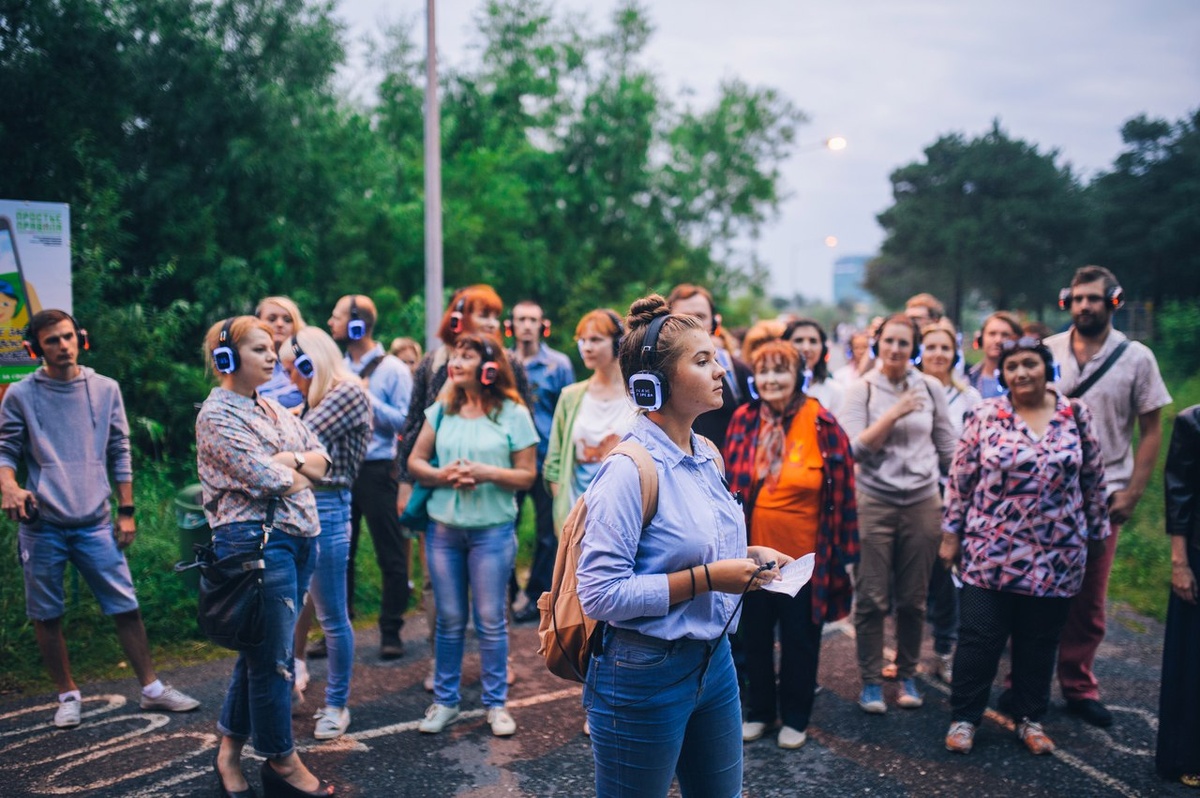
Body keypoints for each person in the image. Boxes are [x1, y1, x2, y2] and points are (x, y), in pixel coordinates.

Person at [575, 295, 789, 797]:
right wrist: (710, 579)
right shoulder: (627, 471)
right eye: (702, 361)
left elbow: (697, 545)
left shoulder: (706, 452)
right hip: (643, 672)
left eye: (716, 357)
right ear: (654, 384)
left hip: (715, 664)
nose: (720, 371)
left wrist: (750, 557)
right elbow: (600, 595)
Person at [0, 309, 201, 729]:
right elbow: (6, 451)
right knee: (46, 613)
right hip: (43, 524)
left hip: (95, 519)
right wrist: (9, 486)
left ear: (82, 338)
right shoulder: (19, 394)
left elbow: (119, 450)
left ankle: (151, 689)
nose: (63, 346)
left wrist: (126, 511)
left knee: (125, 604)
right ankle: (67, 694)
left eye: (69, 337)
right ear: (34, 348)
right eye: (52, 340)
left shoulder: (106, 388)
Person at [940, 337, 1110, 756]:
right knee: (980, 637)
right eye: (1012, 366)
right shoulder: (985, 415)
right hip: (990, 551)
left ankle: (1030, 718)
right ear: (1003, 375)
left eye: (1030, 363)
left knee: (1039, 640)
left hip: (1057, 553)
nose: (1021, 372)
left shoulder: (1076, 414)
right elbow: (961, 481)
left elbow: (1092, 478)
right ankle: (965, 718)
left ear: (1046, 368)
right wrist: (951, 535)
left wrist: (1098, 532)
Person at [195, 316, 335, 797]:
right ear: (226, 359)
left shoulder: (274, 409)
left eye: (273, 347)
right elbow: (266, 479)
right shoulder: (216, 417)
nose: (274, 356)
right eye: (260, 348)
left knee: (258, 653)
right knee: (274, 659)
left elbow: (323, 457)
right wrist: (295, 467)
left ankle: (228, 755)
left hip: (298, 539)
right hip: (256, 544)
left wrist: (291, 461)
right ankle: (282, 761)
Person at [1045, 265, 1171, 727]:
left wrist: (1134, 493)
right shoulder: (1047, 352)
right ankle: (1024, 684)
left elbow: (1152, 428)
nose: (1084, 306)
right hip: (1045, 497)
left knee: (1089, 598)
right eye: (1077, 298)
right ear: (1067, 302)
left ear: (1113, 301)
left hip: (1106, 494)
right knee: (1031, 590)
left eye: (1093, 299)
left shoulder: (1137, 357)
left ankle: (1078, 685)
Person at [723, 340, 859, 750]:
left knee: (801, 640)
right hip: (753, 558)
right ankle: (761, 712)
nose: (770, 380)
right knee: (756, 638)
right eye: (763, 371)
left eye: (780, 370)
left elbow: (845, 493)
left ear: (798, 375)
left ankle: (796, 716)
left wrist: (845, 557)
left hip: (805, 562)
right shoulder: (744, 419)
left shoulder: (823, 423)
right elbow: (728, 489)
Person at [407, 333, 538, 737]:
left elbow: (527, 475)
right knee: (448, 619)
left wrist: (486, 473)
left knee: (489, 621)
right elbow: (415, 462)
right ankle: (445, 702)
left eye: (465, 356)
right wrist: (444, 476)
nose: (455, 362)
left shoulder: (512, 413)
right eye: (454, 356)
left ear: (489, 367)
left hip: (493, 533)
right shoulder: (441, 411)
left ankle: (496, 704)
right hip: (444, 532)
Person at [838, 313, 956, 713]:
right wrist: (895, 413)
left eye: (904, 343)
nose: (895, 349)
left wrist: (959, 506)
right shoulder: (862, 390)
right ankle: (871, 681)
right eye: (889, 341)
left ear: (914, 348)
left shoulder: (932, 388)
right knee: (870, 597)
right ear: (877, 342)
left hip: (924, 502)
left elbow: (948, 451)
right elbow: (853, 450)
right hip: (873, 500)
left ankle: (907, 674)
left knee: (913, 599)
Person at [280, 327, 372, 740]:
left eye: (293, 369)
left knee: (332, 616)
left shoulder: (347, 392)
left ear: (310, 362)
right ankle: (286, 691)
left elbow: (294, 440)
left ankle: (336, 704)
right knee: (289, 607)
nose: (289, 380)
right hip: (298, 504)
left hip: (330, 507)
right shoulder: (313, 398)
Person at [328, 293, 413, 660]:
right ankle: (336, 629)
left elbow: (407, 422)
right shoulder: (334, 365)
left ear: (358, 323)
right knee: (338, 553)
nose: (331, 322)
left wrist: (366, 399)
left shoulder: (393, 369)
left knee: (390, 553)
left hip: (379, 470)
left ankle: (391, 629)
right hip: (340, 468)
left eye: (337, 316)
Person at [917, 321, 982, 682]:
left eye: (945, 348)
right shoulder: (909, 391)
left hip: (956, 496)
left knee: (948, 578)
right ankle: (907, 655)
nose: (938, 354)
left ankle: (944, 649)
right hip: (917, 493)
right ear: (920, 353)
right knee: (912, 578)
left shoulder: (969, 397)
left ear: (955, 354)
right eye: (931, 347)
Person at [506, 299, 575, 624]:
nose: (527, 325)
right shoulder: (502, 362)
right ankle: (504, 595)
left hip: (547, 456)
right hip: (510, 458)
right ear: (512, 325)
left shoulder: (558, 364)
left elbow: (568, 414)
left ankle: (536, 596)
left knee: (549, 531)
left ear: (542, 324)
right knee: (506, 526)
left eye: (533, 319)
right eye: (521, 319)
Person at [543, 309, 638, 532]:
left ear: (618, 343)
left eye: (595, 340)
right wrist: (566, 510)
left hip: (626, 514)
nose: (586, 347)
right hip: (577, 518)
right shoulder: (570, 397)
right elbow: (554, 463)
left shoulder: (636, 396)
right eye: (582, 340)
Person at [1157, 404, 1200, 787]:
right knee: (1193, 663)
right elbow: (1179, 497)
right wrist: (1179, 563)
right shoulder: (1194, 421)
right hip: (1198, 557)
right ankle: (1188, 755)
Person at [667, 283, 752, 450]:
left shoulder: (736, 371)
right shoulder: (658, 371)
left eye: (700, 317)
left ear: (714, 322)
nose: (692, 325)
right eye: (683, 318)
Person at [784, 318, 844, 415]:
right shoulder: (774, 387)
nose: (806, 348)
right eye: (798, 341)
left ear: (823, 348)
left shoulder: (835, 390)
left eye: (813, 341)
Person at [256, 296, 307, 409]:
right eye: (272, 319)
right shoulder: (248, 364)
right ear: (258, 324)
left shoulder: (307, 362)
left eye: (287, 320)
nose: (279, 324)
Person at [966, 311, 1022, 400]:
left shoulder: (1023, 378)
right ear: (981, 339)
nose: (998, 340)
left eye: (1005, 335)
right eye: (992, 334)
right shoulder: (967, 377)